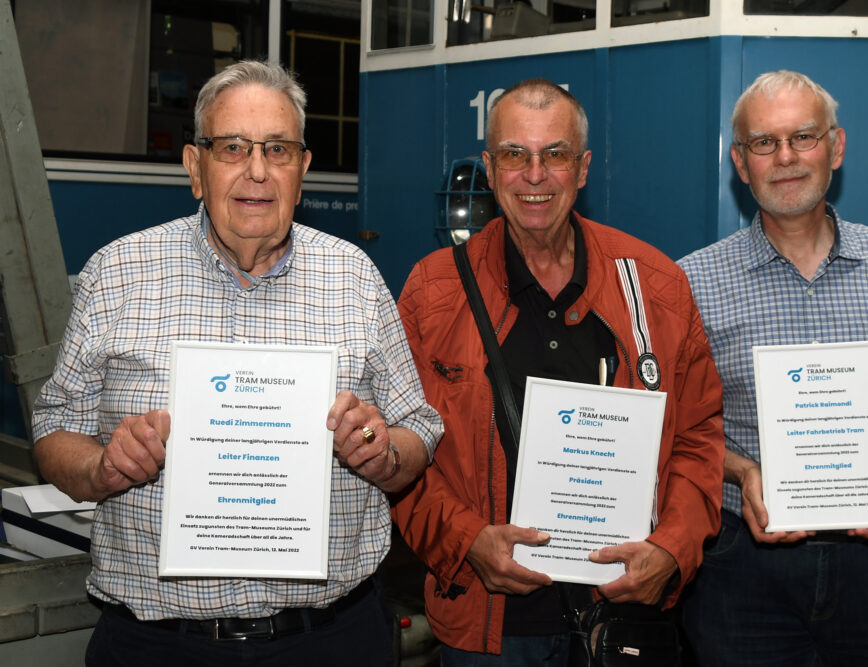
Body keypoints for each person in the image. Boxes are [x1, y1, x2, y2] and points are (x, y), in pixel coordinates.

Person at [31, 60, 443, 667]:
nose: (257, 171)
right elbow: (51, 428)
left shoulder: (354, 277)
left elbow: (420, 428)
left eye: (277, 149)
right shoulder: (116, 274)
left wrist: (383, 452)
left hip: (331, 642)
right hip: (158, 647)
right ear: (195, 168)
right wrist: (101, 468)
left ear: (302, 169)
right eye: (232, 147)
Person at [392, 78, 724, 664]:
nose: (536, 175)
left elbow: (698, 438)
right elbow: (406, 457)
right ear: (490, 171)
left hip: (624, 615)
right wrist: (467, 542)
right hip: (489, 627)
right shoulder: (433, 291)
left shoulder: (656, 284)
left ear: (584, 167)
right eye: (516, 155)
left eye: (556, 155)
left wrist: (671, 550)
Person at [678, 70, 868, 666]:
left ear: (836, 148)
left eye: (804, 137)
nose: (785, 157)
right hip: (742, 571)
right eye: (764, 142)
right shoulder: (692, 282)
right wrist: (741, 473)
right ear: (741, 163)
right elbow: (677, 428)